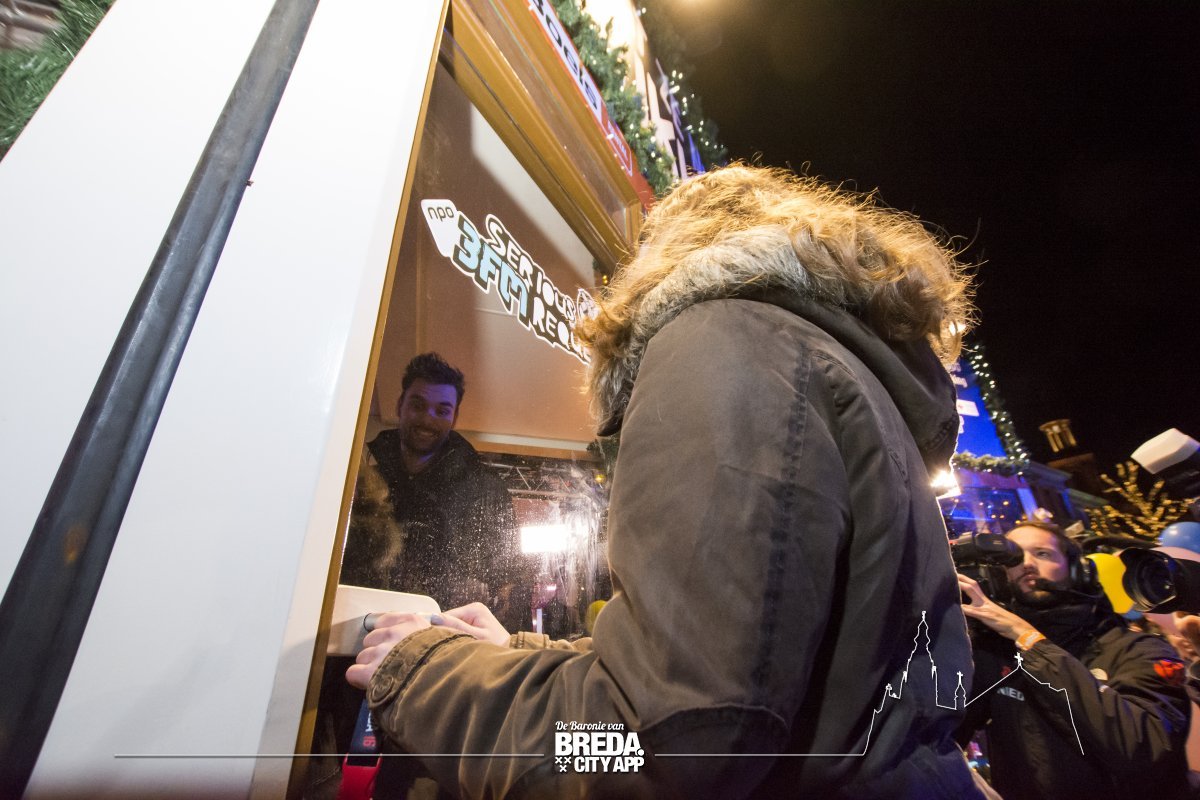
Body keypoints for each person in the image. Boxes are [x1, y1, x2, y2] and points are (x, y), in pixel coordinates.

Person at [345, 165, 983, 798]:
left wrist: (427, 674)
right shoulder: (825, 366)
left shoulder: (725, 342)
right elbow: (746, 684)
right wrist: (512, 654)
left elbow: (646, 747)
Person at [958, 520, 1192, 799]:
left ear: (1078, 570)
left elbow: (1143, 748)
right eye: (1014, 556)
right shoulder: (995, 651)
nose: (1027, 564)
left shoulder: (1138, 649)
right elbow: (939, 729)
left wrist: (1029, 640)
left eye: (1042, 553)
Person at [341, 352, 523, 628]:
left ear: (455, 416)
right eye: (418, 405)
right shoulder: (366, 486)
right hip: (361, 630)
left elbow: (506, 583)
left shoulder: (486, 491)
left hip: (444, 639)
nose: (428, 419)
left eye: (442, 410)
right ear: (400, 405)